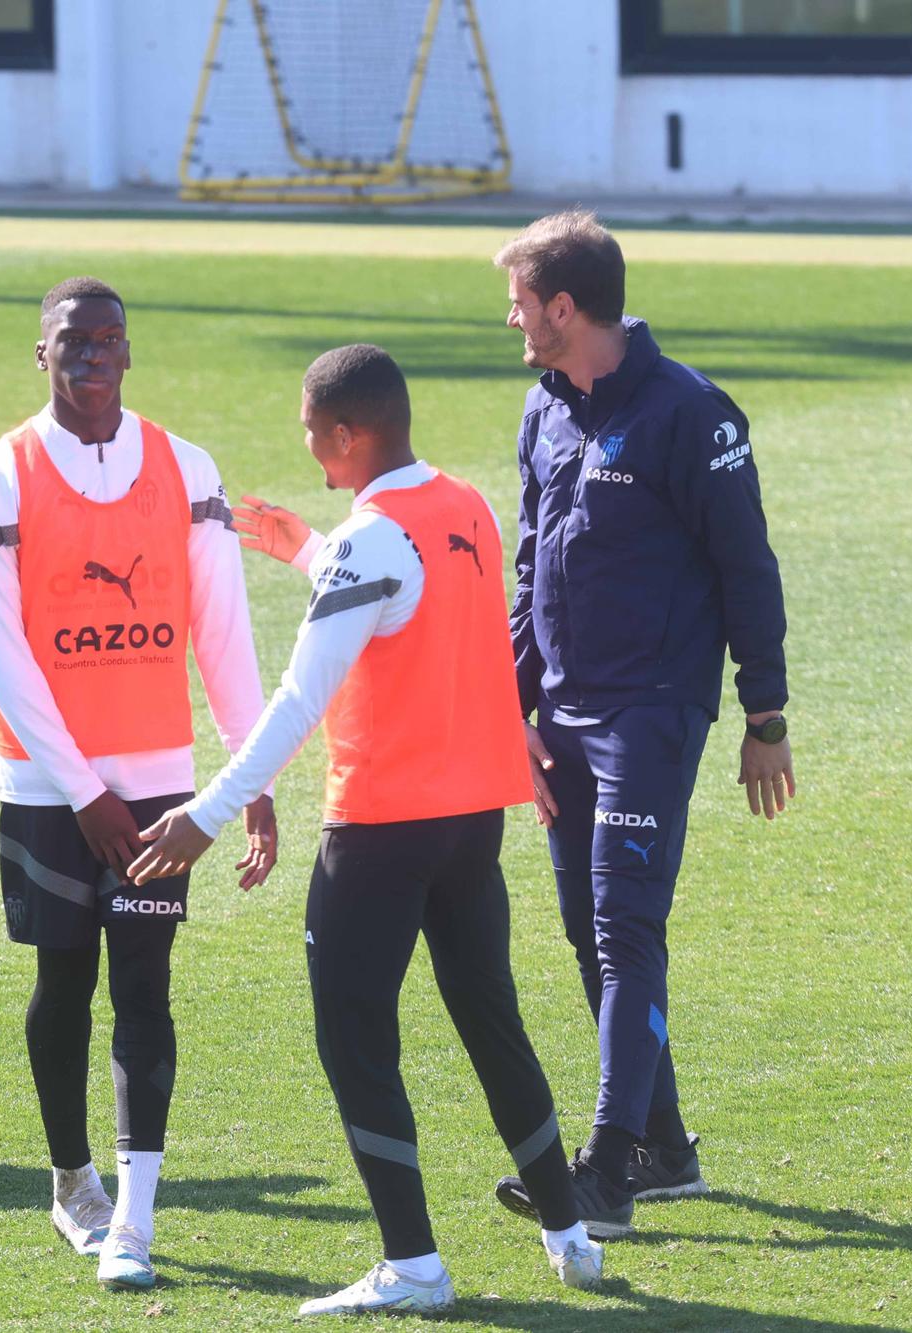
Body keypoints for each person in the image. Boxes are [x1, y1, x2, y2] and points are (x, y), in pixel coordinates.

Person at [132, 345, 603, 1317]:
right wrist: (304, 544)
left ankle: (413, 1265)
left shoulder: (367, 541)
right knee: (489, 1019)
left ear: (345, 434)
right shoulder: (463, 505)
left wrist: (204, 816)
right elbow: (405, 601)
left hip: (380, 834)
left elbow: (301, 696)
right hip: (472, 825)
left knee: (354, 1039)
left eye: (311, 434)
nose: (307, 449)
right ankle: (568, 1229)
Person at [0, 276, 277, 1291]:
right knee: (64, 979)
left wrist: (249, 767)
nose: (90, 357)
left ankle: (131, 1219)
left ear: (129, 354)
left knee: (144, 983)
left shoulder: (186, 469)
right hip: (49, 790)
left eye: (107, 341)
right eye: (70, 341)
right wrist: (80, 788)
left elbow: (221, 632)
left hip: (162, 794)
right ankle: (69, 1182)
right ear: (39, 354)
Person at [479, 210, 794, 1234]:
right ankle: (663, 1147)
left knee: (622, 927)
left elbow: (745, 565)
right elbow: (529, 569)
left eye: (520, 302)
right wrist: (511, 705)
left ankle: (605, 1169)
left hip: (651, 714)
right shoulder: (543, 409)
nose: (511, 317)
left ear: (562, 307)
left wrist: (764, 710)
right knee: (585, 927)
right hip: (561, 714)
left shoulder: (688, 413)